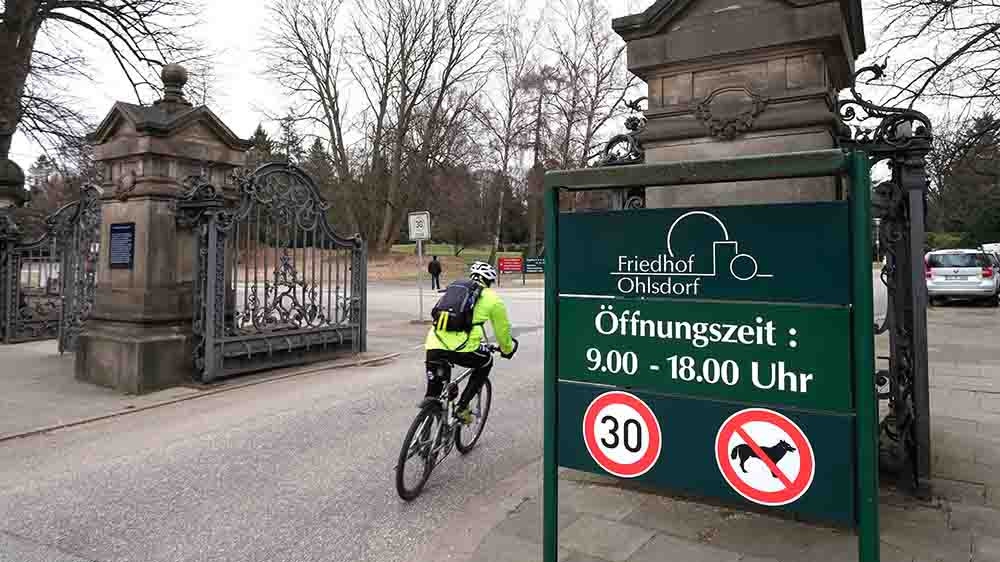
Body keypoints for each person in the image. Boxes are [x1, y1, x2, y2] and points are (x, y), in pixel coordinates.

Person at [424, 261, 517, 424]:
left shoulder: (454, 289)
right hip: (463, 348)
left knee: (433, 393)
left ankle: (423, 437)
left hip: (434, 344)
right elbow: (502, 332)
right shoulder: (492, 299)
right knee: (486, 361)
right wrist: (507, 350)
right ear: (489, 281)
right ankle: (462, 407)